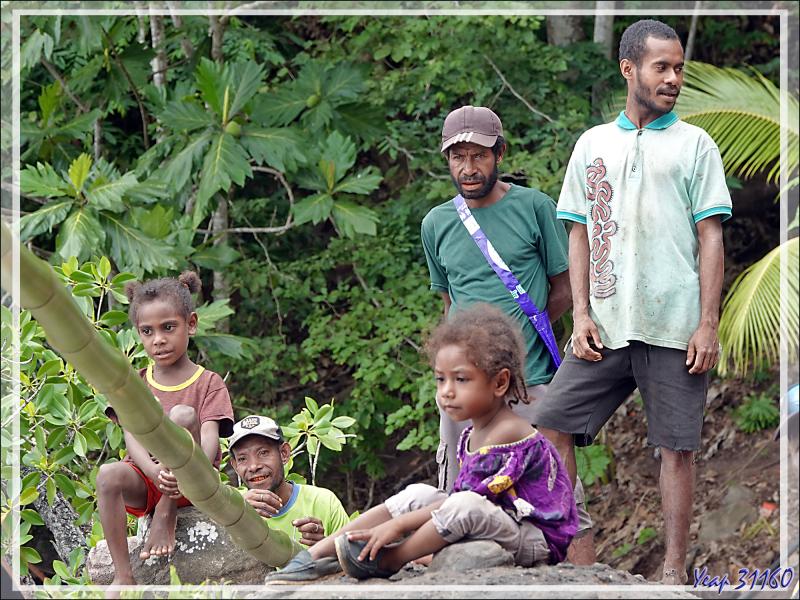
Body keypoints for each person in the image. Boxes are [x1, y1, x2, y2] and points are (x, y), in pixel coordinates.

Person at [531, 19, 732, 585]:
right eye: (660, 67)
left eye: (678, 68)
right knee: (551, 425)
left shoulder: (696, 144)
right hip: (608, 324)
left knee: (676, 449)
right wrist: (583, 315)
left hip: (675, 325)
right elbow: (579, 232)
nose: (673, 78)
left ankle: (673, 570)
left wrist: (707, 323)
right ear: (629, 69)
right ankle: (574, 555)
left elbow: (711, 237)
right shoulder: (593, 144)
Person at [265, 305, 577, 582]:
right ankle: (322, 552)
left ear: (499, 383)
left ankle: (390, 559)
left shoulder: (507, 432)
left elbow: (466, 502)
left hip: (535, 538)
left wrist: (397, 527)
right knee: (419, 494)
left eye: (461, 379)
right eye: (441, 379)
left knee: (462, 504)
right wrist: (403, 519)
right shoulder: (471, 432)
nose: (447, 391)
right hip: (499, 521)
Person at [420, 104, 595, 562]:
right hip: (462, 385)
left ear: (499, 153)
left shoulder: (535, 207)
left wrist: (516, 336)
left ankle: (585, 586)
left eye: (478, 155)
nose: (468, 167)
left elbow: (565, 287)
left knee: (561, 493)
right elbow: (448, 305)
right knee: (460, 489)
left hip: (531, 376)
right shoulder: (436, 223)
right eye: (458, 156)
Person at [95, 271, 234, 587]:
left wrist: (175, 484)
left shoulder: (208, 383)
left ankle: (166, 513)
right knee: (107, 474)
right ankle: (123, 575)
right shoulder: (137, 382)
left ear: (192, 324)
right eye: (147, 331)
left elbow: (209, 447)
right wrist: (154, 473)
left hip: (194, 479)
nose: (158, 339)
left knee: (182, 417)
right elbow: (132, 437)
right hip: (150, 477)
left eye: (168, 327)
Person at [228, 414, 351, 548]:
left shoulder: (323, 502)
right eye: (242, 459)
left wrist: (327, 547)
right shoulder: (230, 511)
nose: (253, 466)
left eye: (263, 453)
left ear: (284, 453)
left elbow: (355, 565)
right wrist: (238, 516)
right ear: (234, 466)